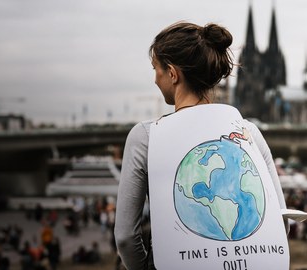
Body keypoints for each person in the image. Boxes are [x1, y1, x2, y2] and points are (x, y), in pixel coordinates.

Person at [114, 21, 288, 270]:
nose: (155, 79)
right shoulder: (249, 132)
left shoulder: (145, 136)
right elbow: (280, 221)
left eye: (156, 69)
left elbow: (125, 237)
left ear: (173, 73)